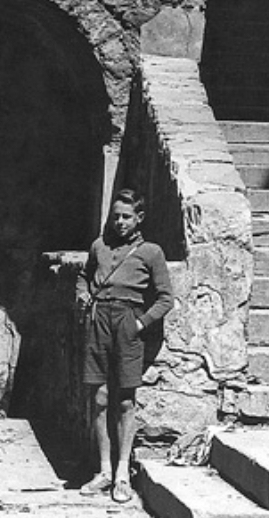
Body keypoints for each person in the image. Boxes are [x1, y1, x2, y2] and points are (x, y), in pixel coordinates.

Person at [76, 188, 174, 503]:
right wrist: (81, 297)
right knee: (100, 397)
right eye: (116, 216)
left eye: (126, 217)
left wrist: (140, 324)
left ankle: (122, 473)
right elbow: (83, 275)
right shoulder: (99, 246)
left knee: (126, 401)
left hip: (128, 322)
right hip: (98, 320)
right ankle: (103, 471)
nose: (119, 222)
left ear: (139, 218)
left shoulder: (151, 252)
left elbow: (165, 298)